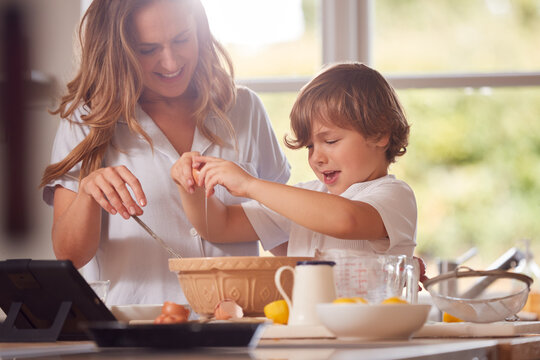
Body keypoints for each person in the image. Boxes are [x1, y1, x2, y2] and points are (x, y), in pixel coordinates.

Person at [40, 0, 290, 306]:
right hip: (136, 334)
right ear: (118, 51)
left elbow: (285, 234)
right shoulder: (87, 120)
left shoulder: (245, 109)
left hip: (238, 330)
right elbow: (69, 256)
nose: (171, 63)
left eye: (182, 39)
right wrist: (88, 195)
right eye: (148, 50)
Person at [171, 62, 417, 257]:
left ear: (380, 134)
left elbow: (346, 220)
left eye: (330, 141)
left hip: (372, 323)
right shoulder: (303, 199)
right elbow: (220, 226)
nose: (317, 158)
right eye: (310, 146)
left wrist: (250, 185)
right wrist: (190, 185)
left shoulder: (394, 195)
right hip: (304, 323)